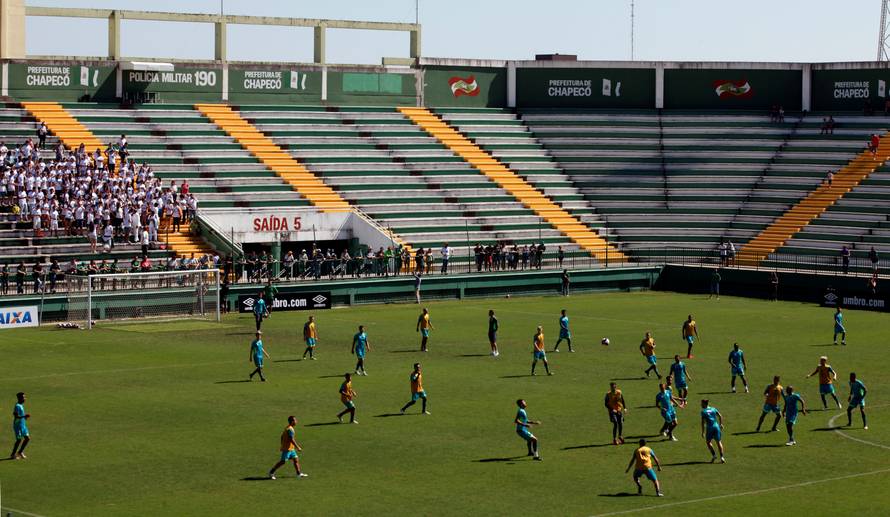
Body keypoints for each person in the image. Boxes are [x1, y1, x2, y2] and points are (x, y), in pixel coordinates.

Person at [11, 392, 30, 460]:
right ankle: (13, 454)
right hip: (17, 426)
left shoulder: (21, 405)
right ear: (19, 398)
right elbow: (16, 416)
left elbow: (20, 415)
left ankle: (20, 452)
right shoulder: (17, 406)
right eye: (23, 397)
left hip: (22, 425)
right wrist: (24, 416)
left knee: (27, 438)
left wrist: (24, 418)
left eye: (24, 397)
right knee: (19, 440)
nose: (25, 398)